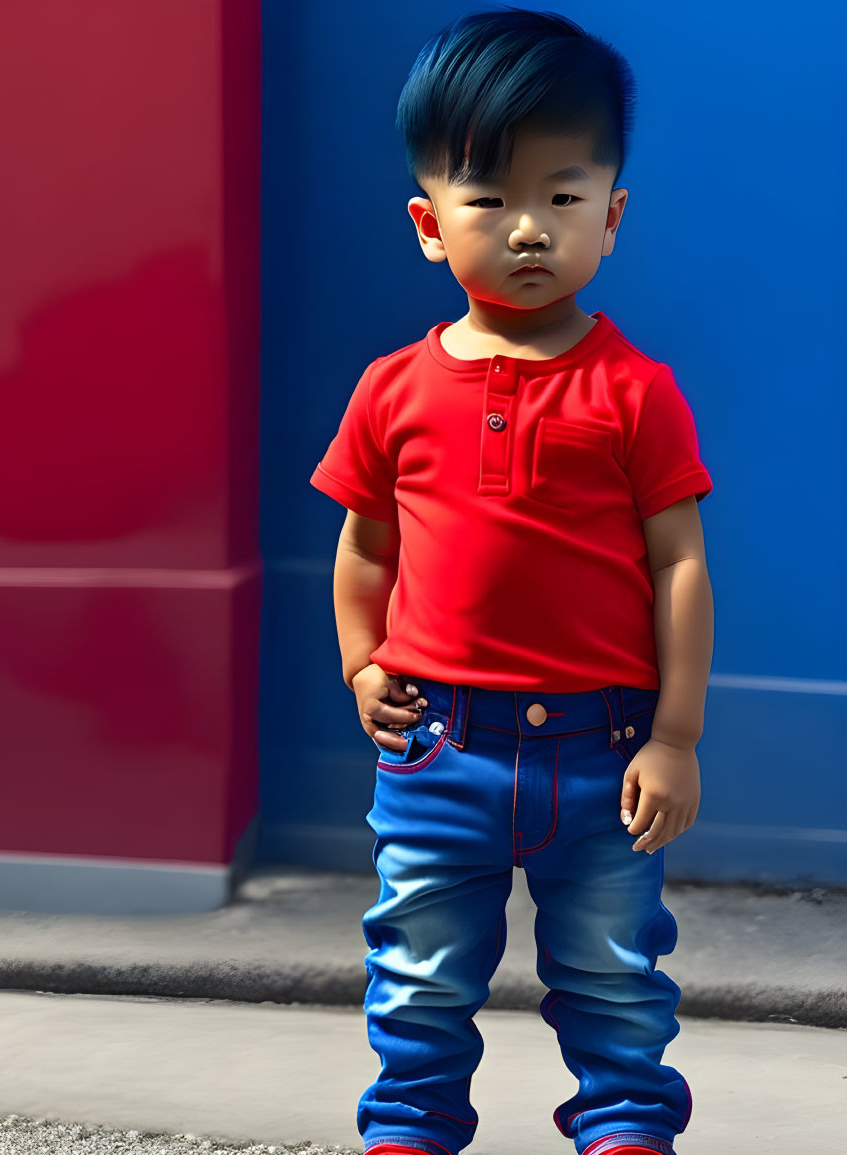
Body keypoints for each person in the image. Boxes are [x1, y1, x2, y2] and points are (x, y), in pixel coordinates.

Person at [309, 8, 714, 1155]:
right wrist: (358, 660)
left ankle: (627, 1128)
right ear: (429, 224)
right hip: (439, 747)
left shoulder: (636, 392)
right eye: (488, 200)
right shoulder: (391, 390)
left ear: (610, 216)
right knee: (419, 977)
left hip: (603, 756)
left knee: (613, 974)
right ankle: (409, 1129)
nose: (528, 228)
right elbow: (366, 548)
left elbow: (678, 563)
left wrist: (673, 736)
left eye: (563, 197)